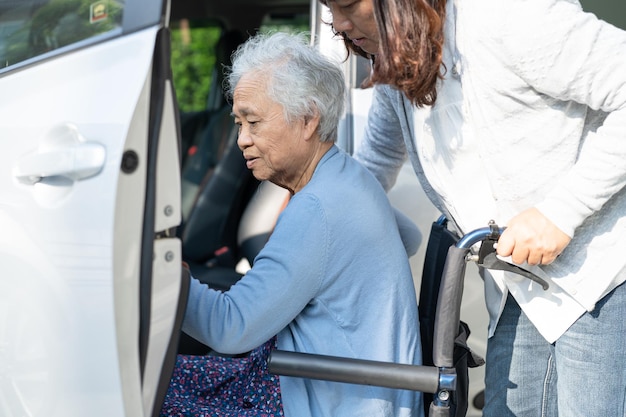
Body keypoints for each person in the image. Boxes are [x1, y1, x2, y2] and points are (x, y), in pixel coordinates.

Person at [320, 0, 626, 416]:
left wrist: (563, 211)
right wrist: (312, 234)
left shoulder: (508, 15)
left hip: (602, 280)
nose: (338, 23)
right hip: (519, 287)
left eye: (347, 4)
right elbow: (374, 166)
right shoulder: (402, 62)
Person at [176, 31, 424, 417]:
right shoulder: (348, 177)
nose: (242, 139)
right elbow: (409, 236)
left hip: (323, 399)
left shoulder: (318, 209)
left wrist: (170, 281)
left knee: (147, 393)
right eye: (238, 123)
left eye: (253, 122)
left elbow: (230, 327)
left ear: (308, 119)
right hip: (336, 385)